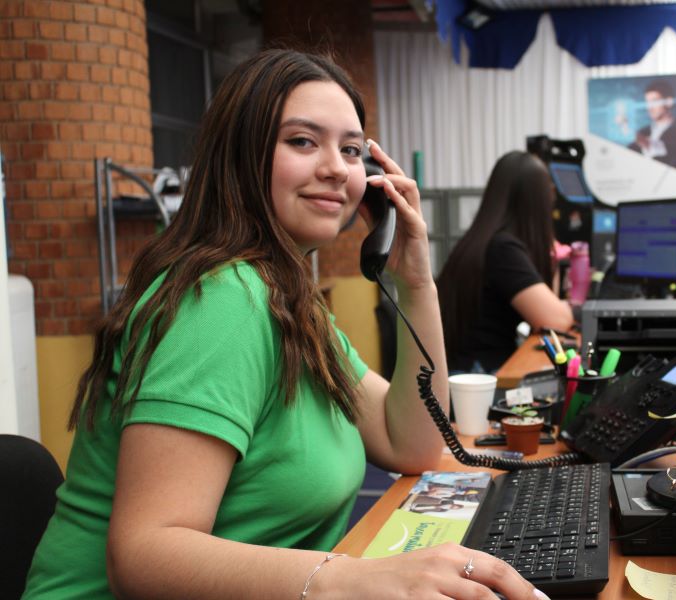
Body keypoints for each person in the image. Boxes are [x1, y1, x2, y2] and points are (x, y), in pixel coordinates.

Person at [23, 49, 547, 600]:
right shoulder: (222, 301)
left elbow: (410, 444)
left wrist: (416, 282)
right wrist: (347, 580)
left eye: (350, 149)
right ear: (241, 156)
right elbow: (144, 555)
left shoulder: (287, 299)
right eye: (302, 141)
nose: (336, 168)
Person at [437, 151, 574, 374]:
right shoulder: (502, 249)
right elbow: (555, 320)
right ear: (536, 203)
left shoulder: (483, 239)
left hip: (463, 370)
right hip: (479, 374)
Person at [627, 80, 676, 171]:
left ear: (669, 102)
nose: (649, 107)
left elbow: (667, 149)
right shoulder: (643, 131)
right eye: (647, 102)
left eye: (654, 101)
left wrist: (629, 130)